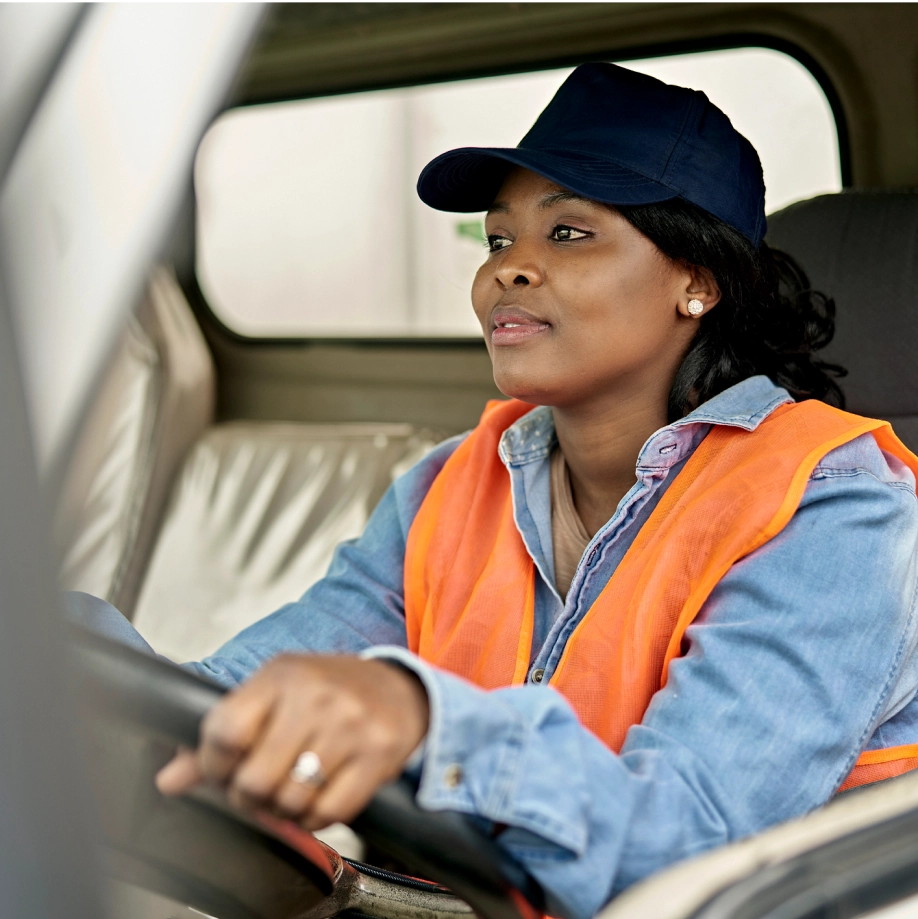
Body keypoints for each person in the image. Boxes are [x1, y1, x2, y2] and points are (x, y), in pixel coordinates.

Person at [72, 63, 918, 919]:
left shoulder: (834, 509)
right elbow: (234, 695)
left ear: (698, 280)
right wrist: (70, 659)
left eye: (570, 234)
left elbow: (690, 844)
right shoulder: (450, 485)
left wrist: (424, 719)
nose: (510, 270)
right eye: (499, 240)